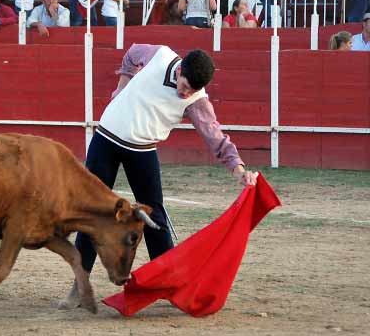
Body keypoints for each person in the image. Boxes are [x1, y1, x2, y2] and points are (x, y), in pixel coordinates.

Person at [60, 44, 257, 308]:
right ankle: (80, 286)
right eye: (184, 85)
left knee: (155, 217)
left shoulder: (196, 100)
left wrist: (238, 169)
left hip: (142, 150)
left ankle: (169, 284)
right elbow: (131, 54)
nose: (184, 92)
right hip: (105, 138)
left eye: (191, 90)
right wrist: (121, 87)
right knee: (93, 213)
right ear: (180, 69)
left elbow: (214, 136)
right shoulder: (160, 55)